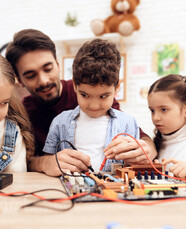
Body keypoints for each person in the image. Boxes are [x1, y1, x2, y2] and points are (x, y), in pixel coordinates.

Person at [5, 29, 157, 176]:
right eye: (31, 75)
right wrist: (44, 163)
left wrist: (147, 148)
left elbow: (139, 136)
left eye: (48, 68)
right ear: (19, 81)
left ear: (58, 65)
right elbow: (20, 159)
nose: (44, 80)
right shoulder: (22, 112)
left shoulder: (92, 87)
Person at [43, 39, 140, 172]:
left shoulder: (128, 123)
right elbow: (49, 162)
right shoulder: (60, 122)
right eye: (85, 95)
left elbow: (134, 166)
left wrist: (133, 157)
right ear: (75, 86)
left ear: (117, 88)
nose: (94, 105)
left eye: (103, 96)